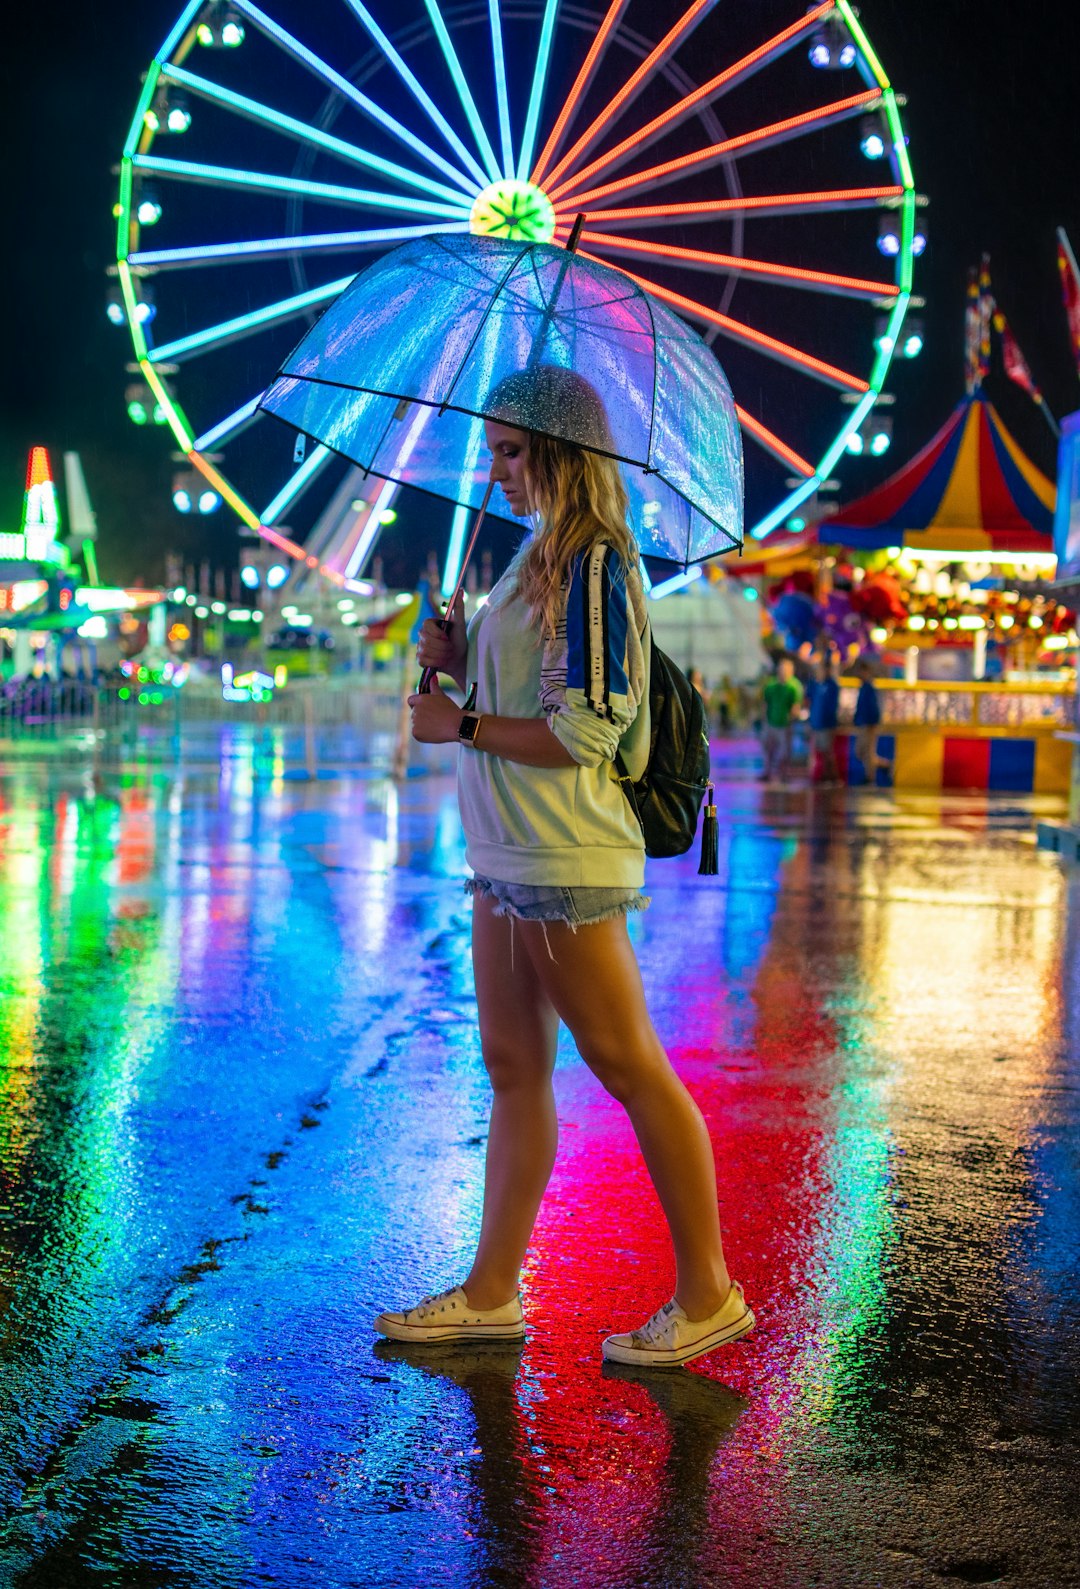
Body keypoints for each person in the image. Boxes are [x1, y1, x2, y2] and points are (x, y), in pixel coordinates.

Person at [374, 368, 753, 1369]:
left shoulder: (596, 564)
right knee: (512, 1069)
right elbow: (516, 702)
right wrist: (454, 661)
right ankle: (493, 1292)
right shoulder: (533, 560)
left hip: (563, 857)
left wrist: (455, 721)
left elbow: (584, 729)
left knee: (629, 1065)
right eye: (491, 448)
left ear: (560, 452)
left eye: (511, 450)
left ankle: (709, 1291)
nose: (493, 468)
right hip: (504, 853)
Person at [759, 657, 803, 781]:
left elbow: (796, 706)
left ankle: (783, 773)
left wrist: (791, 719)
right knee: (768, 748)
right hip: (770, 722)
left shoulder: (794, 686)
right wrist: (764, 719)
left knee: (784, 752)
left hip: (785, 724)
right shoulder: (771, 685)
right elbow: (765, 703)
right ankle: (767, 772)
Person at [852, 657, 889, 782]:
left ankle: (870, 777)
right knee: (862, 752)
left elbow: (873, 707)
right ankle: (885, 765)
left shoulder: (869, 688)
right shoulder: (863, 687)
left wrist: (872, 723)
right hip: (863, 723)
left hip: (868, 724)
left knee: (867, 752)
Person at [807, 651, 841, 785]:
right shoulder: (814, 685)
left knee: (828, 751)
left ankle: (833, 776)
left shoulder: (832, 685)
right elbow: (809, 701)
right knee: (819, 750)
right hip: (815, 723)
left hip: (827, 724)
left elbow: (832, 706)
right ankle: (822, 775)